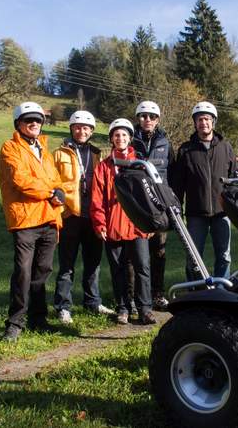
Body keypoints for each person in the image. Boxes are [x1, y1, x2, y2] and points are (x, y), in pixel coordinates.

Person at [0, 101, 65, 342]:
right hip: (25, 220)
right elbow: (21, 180)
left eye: (37, 120)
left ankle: (38, 319)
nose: (34, 123)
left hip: (48, 219)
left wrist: (59, 192)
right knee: (23, 273)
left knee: (42, 272)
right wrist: (51, 192)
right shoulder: (10, 148)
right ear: (18, 124)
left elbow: (56, 180)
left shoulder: (44, 152)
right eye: (29, 120)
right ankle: (15, 323)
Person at [91, 118, 156, 325]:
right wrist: (100, 224)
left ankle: (145, 308)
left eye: (124, 135)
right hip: (113, 226)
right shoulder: (103, 167)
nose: (120, 138)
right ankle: (123, 308)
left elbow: (150, 197)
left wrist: (151, 222)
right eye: (116, 135)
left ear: (130, 138)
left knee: (143, 267)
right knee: (118, 269)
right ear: (111, 139)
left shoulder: (140, 164)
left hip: (138, 226)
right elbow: (96, 199)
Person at [52, 110, 115, 324]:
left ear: (91, 131)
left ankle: (93, 302)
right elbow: (53, 182)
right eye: (78, 127)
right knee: (67, 264)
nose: (82, 131)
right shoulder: (59, 153)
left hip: (92, 216)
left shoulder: (97, 154)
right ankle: (63, 306)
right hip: (70, 215)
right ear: (71, 129)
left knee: (93, 263)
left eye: (86, 128)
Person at [171, 101, 238, 279]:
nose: (203, 123)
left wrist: (236, 206)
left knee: (224, 256)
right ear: (195, 123)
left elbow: (235, 180)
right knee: (193, 257)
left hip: (222, 212)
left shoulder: (226, 147)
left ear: (213, 121)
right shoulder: (186, 149)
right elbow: (179, 184)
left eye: (207, 119)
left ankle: (222, 290)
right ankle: (195, 291)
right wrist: (176, 208)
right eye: (200, 119)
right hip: (195, 214)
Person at [131, 100, 174, 311]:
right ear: (138, 118)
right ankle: (134, 296)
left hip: (159, 206)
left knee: (159, 252)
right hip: (136, 205)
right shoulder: (129, 140)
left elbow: (173, 175)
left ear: (157, 120)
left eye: (152, 117)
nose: (147, 120)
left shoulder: (165, 142)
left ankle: (157, 293)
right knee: (136, 255)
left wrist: (173, 204)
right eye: (143, 116)